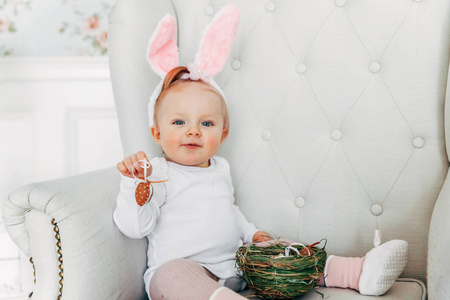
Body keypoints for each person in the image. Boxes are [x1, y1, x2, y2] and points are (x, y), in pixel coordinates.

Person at [113, 5, 409, 300]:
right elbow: (135, 227)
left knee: (282, 249)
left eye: (206, 123)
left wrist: (252, 234)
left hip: (238, 268)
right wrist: (134, 183)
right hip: (186, 277)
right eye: (179, 122)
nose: (193, 131)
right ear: (157, 133)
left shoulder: (219, 168)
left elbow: (229, 212)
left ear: (223, 133)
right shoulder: (155, 172)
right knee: (170, 273)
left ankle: (356, 272)